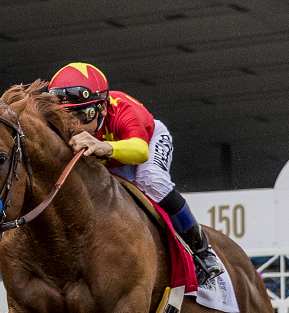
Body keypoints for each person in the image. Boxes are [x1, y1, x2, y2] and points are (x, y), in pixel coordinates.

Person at [47, 62, 224, 285]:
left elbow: (140, 152)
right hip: (109, 157)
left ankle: (202, 250)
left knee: (151, 180)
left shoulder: (123, 109)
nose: (74, 126)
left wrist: (104, 147)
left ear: (102, 107)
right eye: (65, 117)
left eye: (84, 114)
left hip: (146, 142)